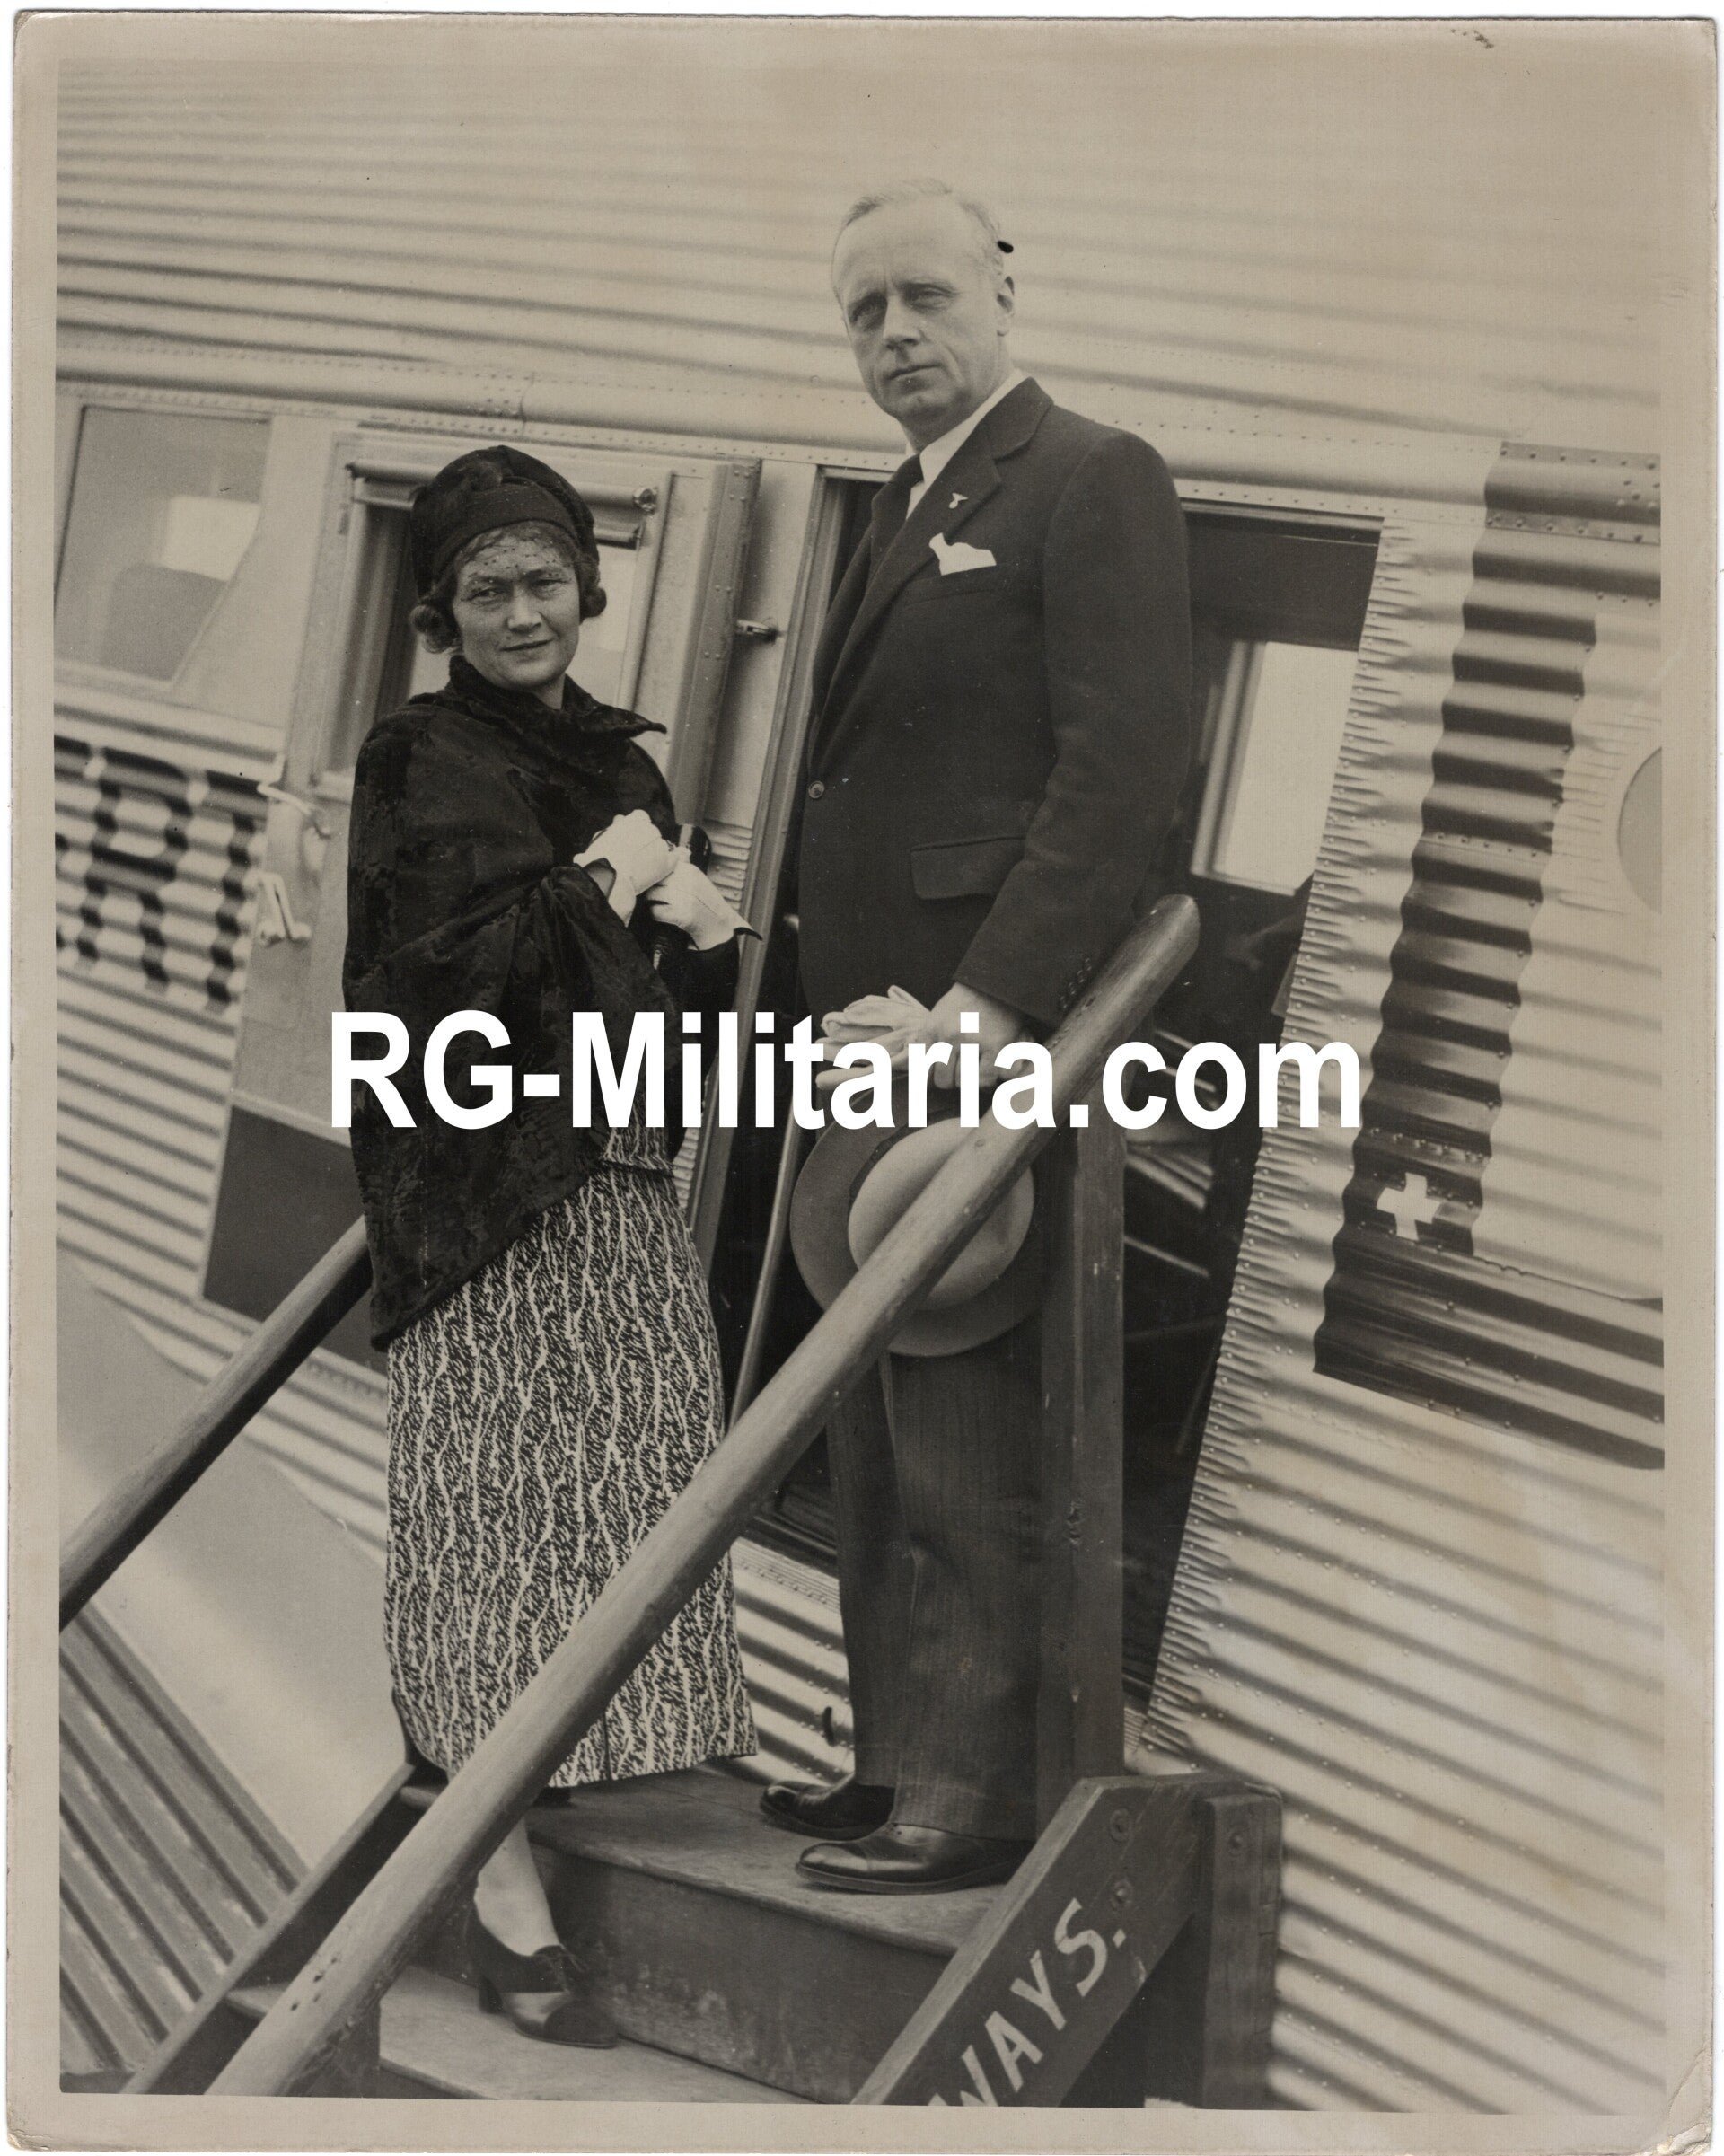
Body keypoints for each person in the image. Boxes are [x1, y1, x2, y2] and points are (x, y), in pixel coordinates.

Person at [761, 181, 1192, 1892]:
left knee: (961, 1422)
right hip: (868, 1041)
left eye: (925, 297)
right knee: (875, 1420)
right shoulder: (904, 498)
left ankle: (971, 1797)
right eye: (863, 311)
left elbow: (1123, 772)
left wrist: (982, 1012)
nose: (895, 336)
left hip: (972, 1051)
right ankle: (896, 1758)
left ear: (1003, 291)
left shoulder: (1090, 478)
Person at [343, 445, 755, 2045]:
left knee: (628, 1478)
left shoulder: (620, 760)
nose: (524, 613)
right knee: (487, 1512)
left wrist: (708, 941)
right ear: (442, 608)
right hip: (477, 1190)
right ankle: (501, 1883)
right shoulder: (417, 754)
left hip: (617, 1172)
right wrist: (605, 879)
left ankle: (533, 1766)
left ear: (589, 587)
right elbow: (440, 985)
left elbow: (652, 1003)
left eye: (547, 583)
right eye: (488, 589)